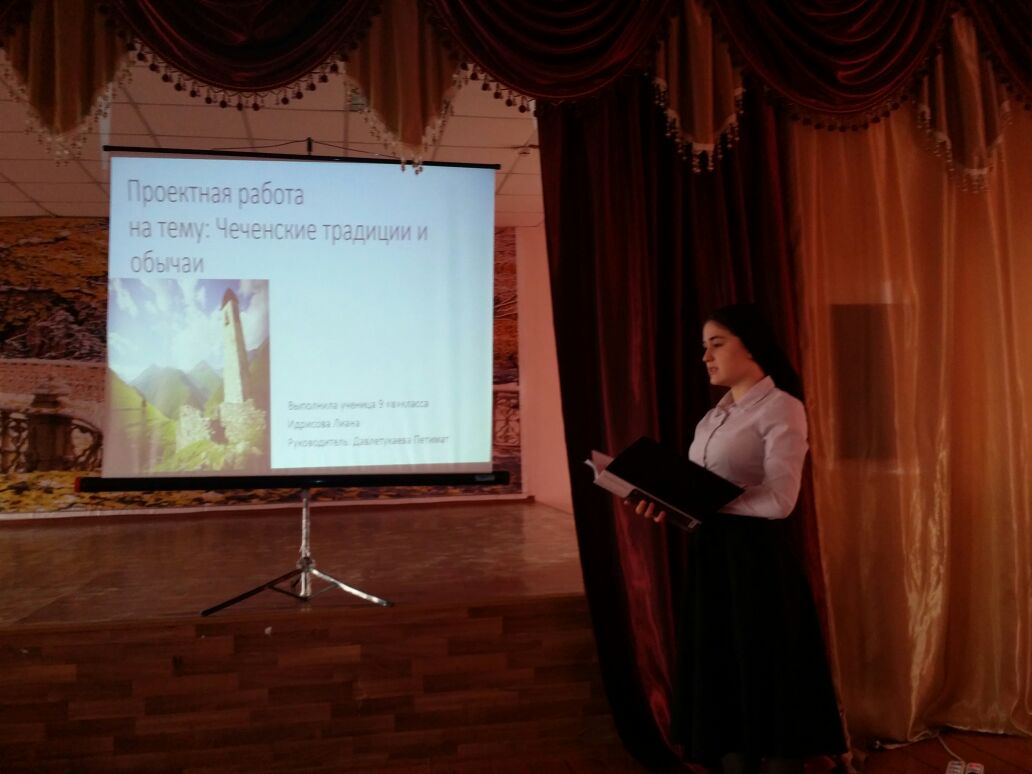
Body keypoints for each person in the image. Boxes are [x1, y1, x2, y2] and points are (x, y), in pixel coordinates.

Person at [631, 304, 845, 774]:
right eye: (703, 347)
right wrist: (669, 505)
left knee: (768, 682)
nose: (705, 357)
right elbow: (704, 500)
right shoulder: (713, 418)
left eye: (716, 344)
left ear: (752, 346)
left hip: (757, 563)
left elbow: (781, 501)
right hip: (712, 559)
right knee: (725, 683)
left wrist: (706, 502)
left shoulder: (782, 407)